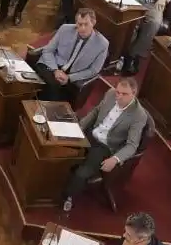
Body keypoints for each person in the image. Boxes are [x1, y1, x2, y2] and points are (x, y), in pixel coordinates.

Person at [61, 78, 149, 212]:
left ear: (134, 93)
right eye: (118, 92)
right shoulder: (110, 94)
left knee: (82, 173)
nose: (118, 96)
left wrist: (115, 159)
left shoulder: (139, 115)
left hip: (105, 146)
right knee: (61, 148)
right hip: (91, 133)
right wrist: (80, 126)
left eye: (124, 94)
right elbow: (96, 111)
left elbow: (132, 145)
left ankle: (68, 197)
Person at [33, 8, 108, 102]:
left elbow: (94, 70)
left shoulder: (102, 44)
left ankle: (38, 107)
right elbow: (48, 50)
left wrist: (69, 78)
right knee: (54, 87)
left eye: (86, 24)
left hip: (72, 75)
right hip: (51, 65)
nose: (83, 28)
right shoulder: (65, 29)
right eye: (80, 24)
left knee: (59, 92)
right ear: (76, 23)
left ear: (93, 23)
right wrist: (56, 70)